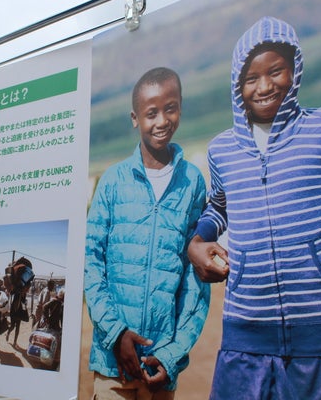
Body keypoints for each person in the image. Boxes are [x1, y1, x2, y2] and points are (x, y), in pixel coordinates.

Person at [187, 16, 321, 399]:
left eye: (276, 71)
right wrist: (196, 243)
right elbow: (219, 206)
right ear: (237, 87)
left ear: (295, 70)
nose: (264, 86)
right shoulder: (222, 150)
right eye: (251, 78)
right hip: (245, 343)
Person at [85, 67, 209, 398]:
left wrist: (173, 353)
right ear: (135, 118)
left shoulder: (193, 182)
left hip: (160, 368)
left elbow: (195, 279)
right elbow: (90, 261)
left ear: (180, 107)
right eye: (151, 113)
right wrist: (115, 333)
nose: (161, 121)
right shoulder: (112, 181)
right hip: (112, 364)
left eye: (170, 108)